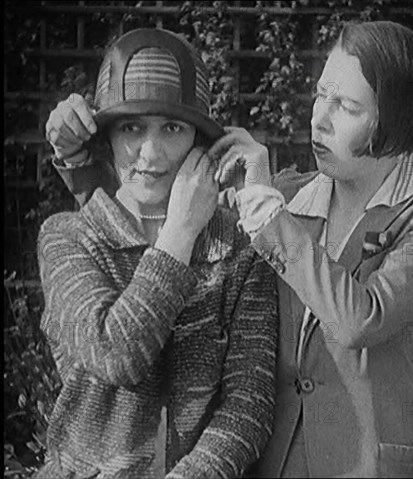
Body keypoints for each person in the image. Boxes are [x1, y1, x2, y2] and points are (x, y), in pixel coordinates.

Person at [53, 21, 413, 478]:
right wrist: (81, 159)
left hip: (374, 464)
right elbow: (149, 215)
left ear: (395, 118)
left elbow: (361, 320)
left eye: (346, 106)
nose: (319, 119)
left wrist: (267, 212)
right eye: (320, 95)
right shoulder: (286, 195)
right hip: (280, 463)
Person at [36, 28, 278, 479]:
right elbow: (116, 354)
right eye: (131, 127)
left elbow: (249, 402)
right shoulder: (68, 239)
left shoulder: (239, 252)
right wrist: (179, 233)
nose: (151, 152)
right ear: (106, 138)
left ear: (200, 142)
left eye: (172, 127)